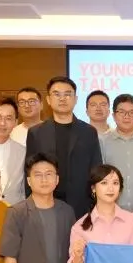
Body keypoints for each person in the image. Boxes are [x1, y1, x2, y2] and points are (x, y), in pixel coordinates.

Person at [24, 76, 103, 216]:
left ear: (76, 99)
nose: (62, 99)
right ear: (48, 99)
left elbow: (96, 170)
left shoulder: (89, 132)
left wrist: (95, 204)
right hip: (44, 205)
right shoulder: (36, 133)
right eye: (57, 94)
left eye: (67, 94)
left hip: (81, 206)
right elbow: (29, 172)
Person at [100, 93, 133, 213]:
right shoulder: (102, 142)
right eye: (122, 112)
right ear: (114, 115)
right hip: (111, 212)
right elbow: (99, 179)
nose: (127, 116)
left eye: (131, 112)